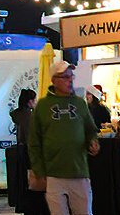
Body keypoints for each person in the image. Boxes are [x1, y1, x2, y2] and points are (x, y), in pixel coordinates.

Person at [29, 60, 100, 215]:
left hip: (79, 171)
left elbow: (90, 129)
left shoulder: (80, 104)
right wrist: (39, 171)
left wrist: (93, 142)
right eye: (65, 77)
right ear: (54, 80)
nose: (70, 80)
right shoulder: (42, 106)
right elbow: (34, 142)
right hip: (53, 173)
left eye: (71, 76)